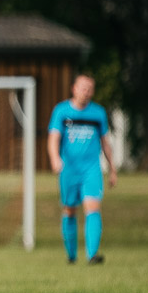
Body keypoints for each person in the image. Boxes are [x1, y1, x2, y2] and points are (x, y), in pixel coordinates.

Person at [48, 73, 117, 265]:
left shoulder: (98, 113)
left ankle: (92, 255)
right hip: (69, 168)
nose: (86, 92)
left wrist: (112, 169)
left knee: (93, 207)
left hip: (91, 168)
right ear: (74, 89)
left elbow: (105, 142)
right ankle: (71, 255)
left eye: (89, 89)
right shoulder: (61, 111)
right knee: (69, 209)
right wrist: (55, 159)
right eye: (83, 88)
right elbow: (53, 137)